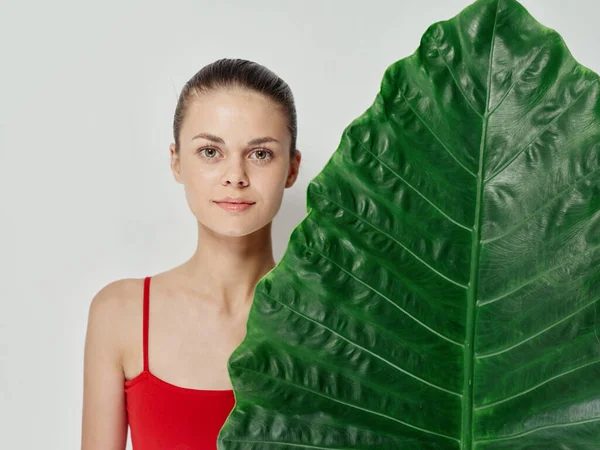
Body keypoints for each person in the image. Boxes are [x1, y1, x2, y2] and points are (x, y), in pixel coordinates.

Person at [81, 58, 302, 450]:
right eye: (210, 152)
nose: (235, 176)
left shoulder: (334, 319)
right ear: (176, 161)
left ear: (292, 167)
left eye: (260, 154)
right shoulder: (120, 314)